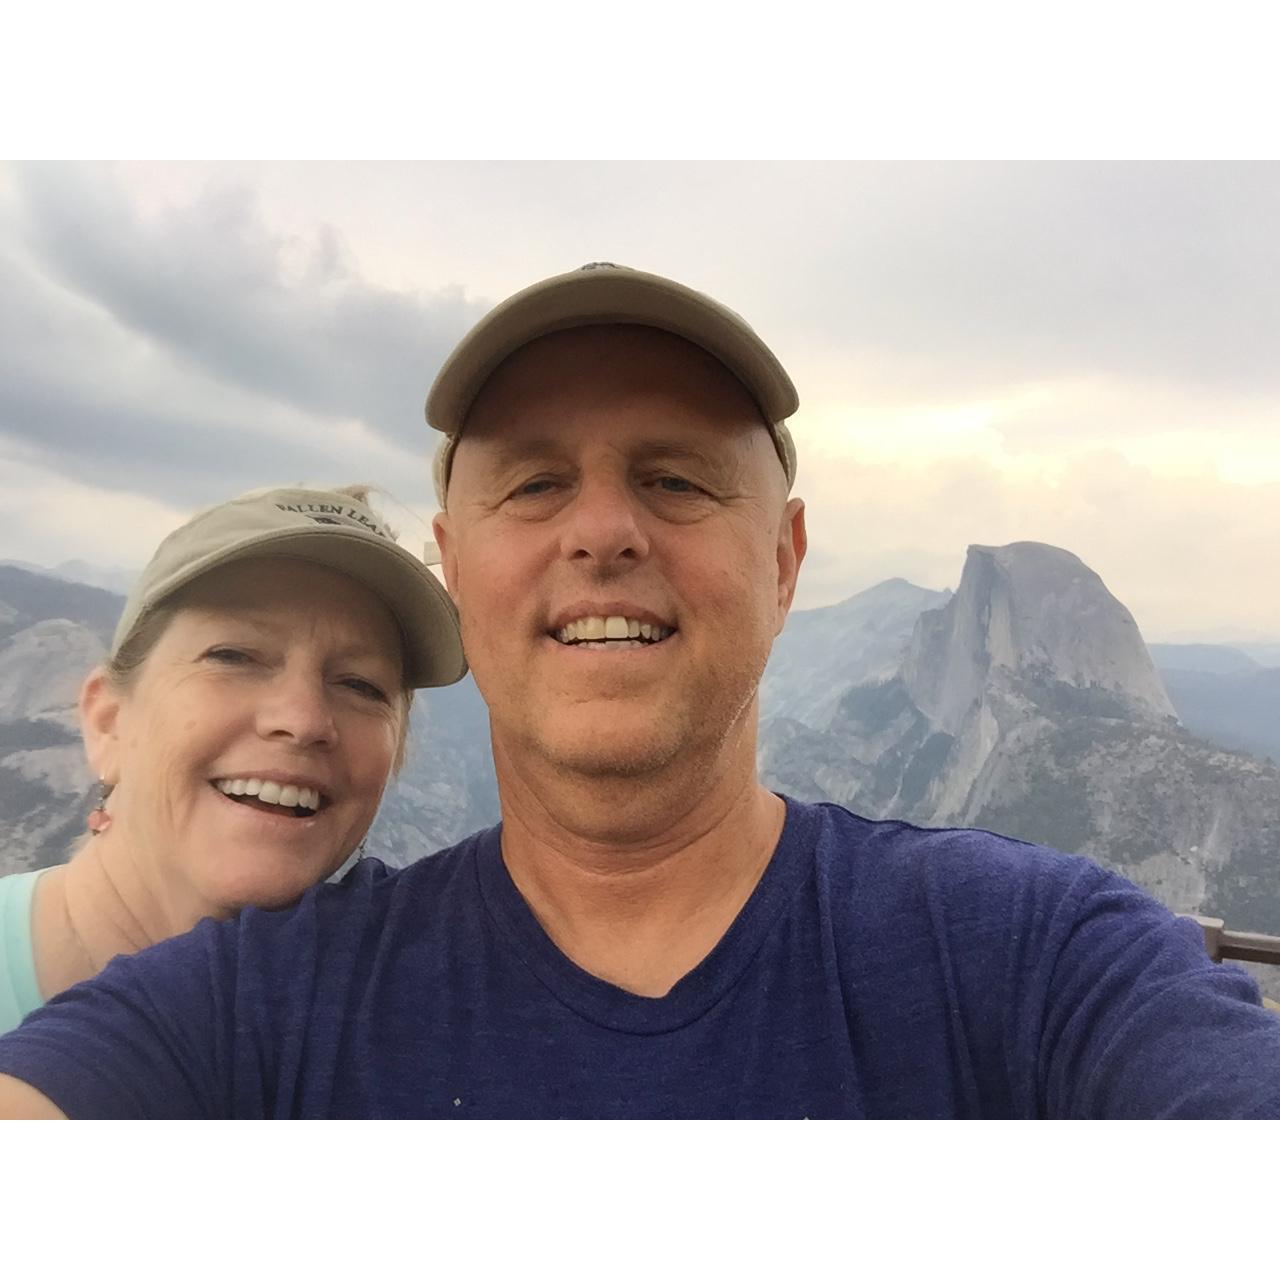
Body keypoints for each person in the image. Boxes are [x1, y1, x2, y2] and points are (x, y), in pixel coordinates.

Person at [2, 264, 1278, 1118]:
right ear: (454, 570)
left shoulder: (1032, 955)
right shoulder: (255, 1003)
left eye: (674, 478)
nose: (603, 528)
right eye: (534, 482)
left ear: (779, 562)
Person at [0, 483, 465, 1037]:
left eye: (362, 685)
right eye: (234, 655)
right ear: (108, 721)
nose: (304, 719)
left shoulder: (386, 1033)